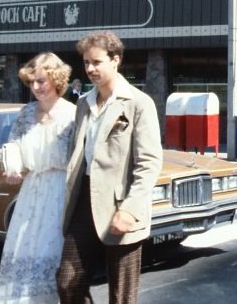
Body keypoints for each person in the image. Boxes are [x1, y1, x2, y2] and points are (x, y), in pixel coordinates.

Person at [57, 31, 163, 304]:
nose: (90, 69)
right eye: (86, 63)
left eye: (96, 62)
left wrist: (130, 208)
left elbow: (149, 163)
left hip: (120, 205)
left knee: (122, 295)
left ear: (115, 60)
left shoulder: (139, 103)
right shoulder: (83, 103)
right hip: (83, 202)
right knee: (68, 282)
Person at [0, 53, 77, 304]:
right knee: (25, 252)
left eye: (42, 81)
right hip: (31, 194)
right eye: (32, 82)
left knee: (52, 258)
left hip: (60, 194)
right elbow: (13, 146)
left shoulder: (73, 114)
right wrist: (12, 167)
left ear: (57, 79)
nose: (36, 87)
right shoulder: (26, 112)